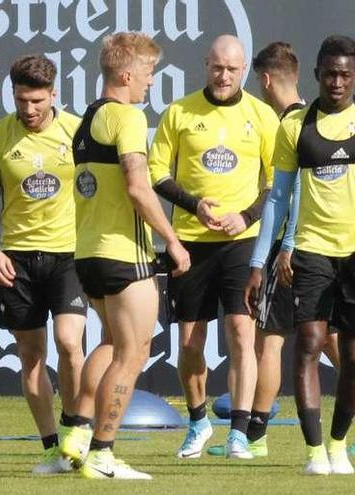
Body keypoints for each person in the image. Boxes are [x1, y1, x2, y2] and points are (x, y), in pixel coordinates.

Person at [148, 34, 279, 459]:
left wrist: (246, 216)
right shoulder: (180, 112)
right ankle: (199, 421)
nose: (224, 75)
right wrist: (193, 205)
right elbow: (155, 172)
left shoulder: (261, 116)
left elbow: (277, 184)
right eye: (217, 67)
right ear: (206, 65)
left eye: (232, 69)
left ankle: (238, 432)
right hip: (189, 242)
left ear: (244, 71)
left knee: (242, 331)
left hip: (241, 242)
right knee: (190, 341)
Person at [66, 32, 190, 480]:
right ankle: (102, 452)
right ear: (125, 73)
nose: (151, 83)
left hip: (88, 255)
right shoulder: (127, 117)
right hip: (124, 255)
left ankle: (76, 435)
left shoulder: (87, 118)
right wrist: (172, 240)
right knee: (132, 353)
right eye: (148, 73)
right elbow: (138, 187)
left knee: (111, 344)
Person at [207, 41, 340, 459]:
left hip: (297, 251)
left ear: (264, 80)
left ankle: (255, 435)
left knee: (273, 341)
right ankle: (262, 434)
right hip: (328, 248)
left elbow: (294, 192)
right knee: (329, 339)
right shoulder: (319, 118)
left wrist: (281, 248)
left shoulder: (294, 124)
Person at [244, 35, 355, 475]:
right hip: (310, 252)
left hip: (353, 254)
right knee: (308, 344)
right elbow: (277, 199)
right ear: (316, 75)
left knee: (351, 357)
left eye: (345, 74)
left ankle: (338, 444)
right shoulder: (295, 127)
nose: (337, 82)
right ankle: (313, 454)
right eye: (330, 73)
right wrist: (259, 262)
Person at [0, 53, 86, 474]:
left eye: (37, 101)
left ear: (54, 94)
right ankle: (51, 447)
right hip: (15, 258)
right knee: (31, 356)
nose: (29, 109)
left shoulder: (76, 133)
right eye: (21, 100)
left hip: (68, 254)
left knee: (71, 345)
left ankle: (77, 430)